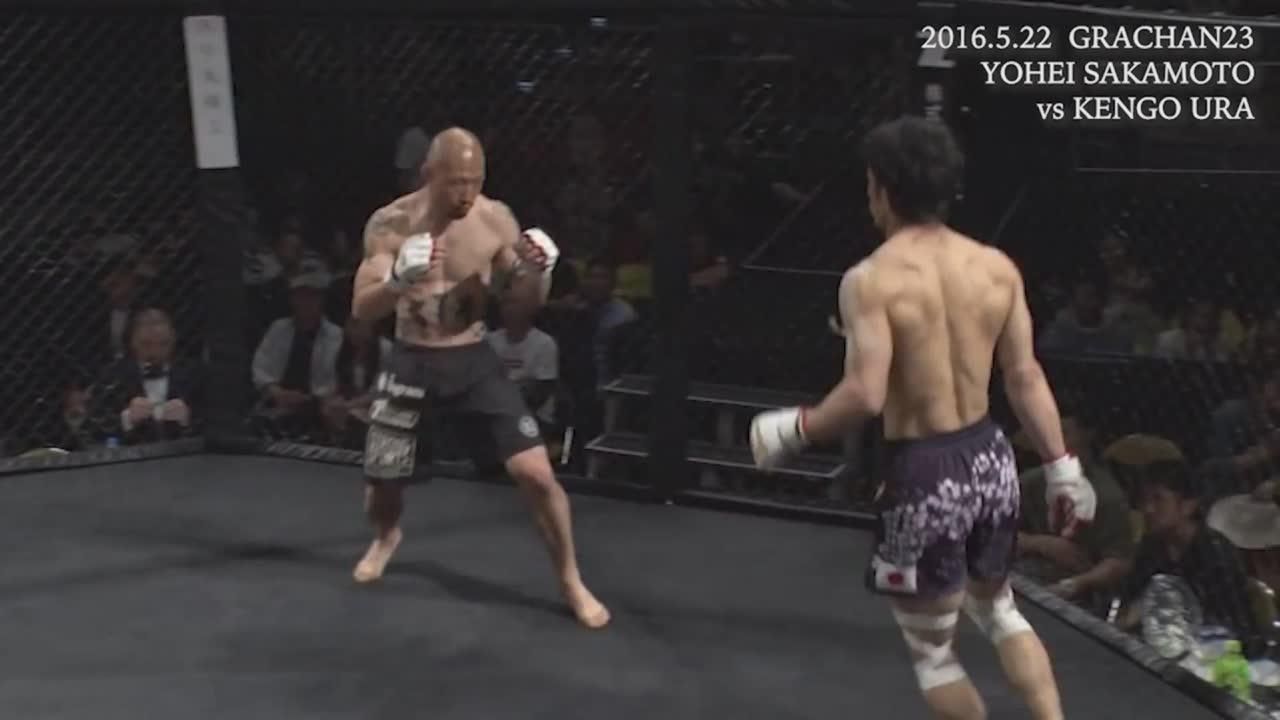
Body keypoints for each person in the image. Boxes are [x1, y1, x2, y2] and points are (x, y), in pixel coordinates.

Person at [748, 116, 1097, 720]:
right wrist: (1063, 467)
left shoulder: (871, 280)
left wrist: (796, 428)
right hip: (990, 458)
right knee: (1000, 609)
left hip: (925, 471)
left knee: (933, 653)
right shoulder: (996, 266)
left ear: (881, 189)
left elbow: (865, 394)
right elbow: (1024, 377)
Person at [349, 127, 609, 629]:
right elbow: (362, 308)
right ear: (429, 174)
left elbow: (523, 300)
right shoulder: (391, 223)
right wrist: (398, 281)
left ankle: (571, 580)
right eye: (456, 182)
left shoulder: (494, 220)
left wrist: (539, 272)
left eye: (475, 180)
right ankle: (386, 537)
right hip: (409, 360)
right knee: (383, 484)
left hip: (472, 359)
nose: (466, 193)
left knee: (537, 474)